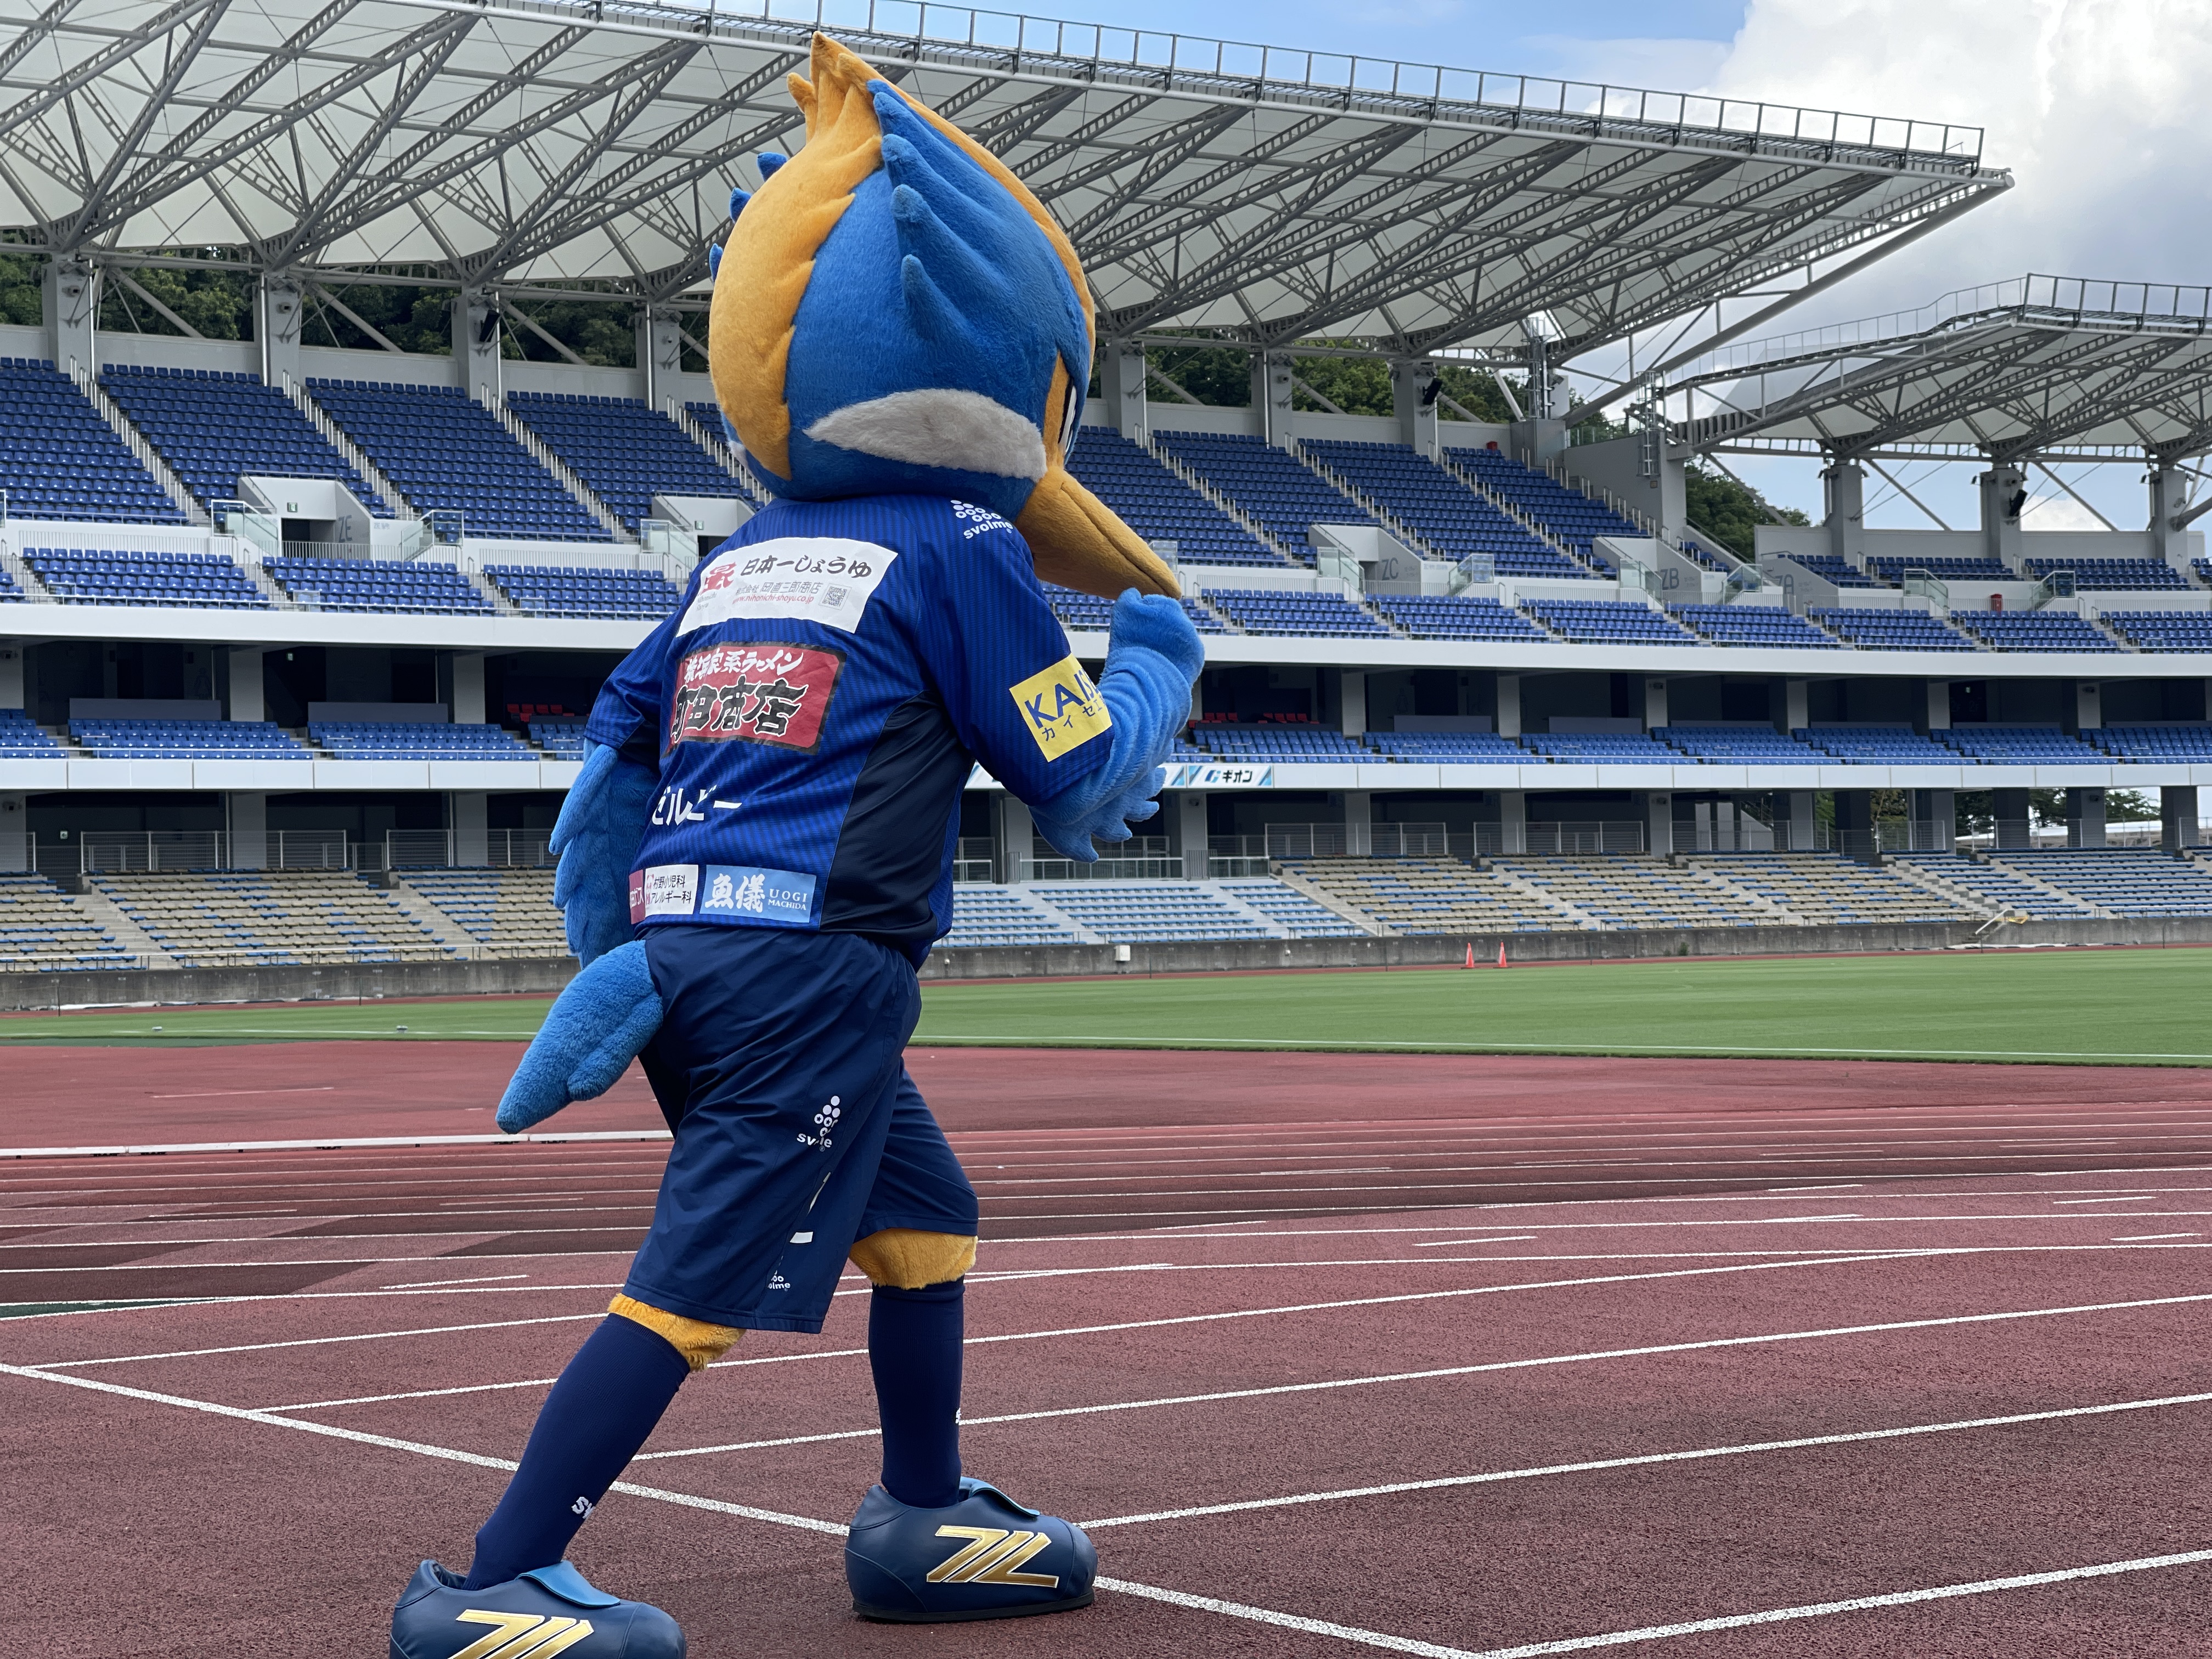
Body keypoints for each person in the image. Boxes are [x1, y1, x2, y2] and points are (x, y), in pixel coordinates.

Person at [390, 33, 1201, 1657]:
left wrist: (619, 940)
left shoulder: (743, 556)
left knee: (926, 1226)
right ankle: (488, 1588)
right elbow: (1074, 779)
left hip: (695, 951)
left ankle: (924, 1518)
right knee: (695, 1284)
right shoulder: (958, 542)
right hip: (811, 966)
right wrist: (1156, 664)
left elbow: (615, 751)